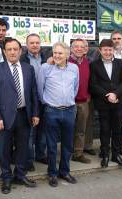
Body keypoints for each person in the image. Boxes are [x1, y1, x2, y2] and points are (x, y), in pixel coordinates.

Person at [0, 38, 39, 194]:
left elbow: (33, 93)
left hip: (24, 115)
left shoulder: (28, 68)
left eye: (15, 49)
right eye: (9, 49)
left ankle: (20, 174)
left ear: (20, 51)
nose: (12, 52)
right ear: (4, 51)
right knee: (4, 149)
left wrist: (35, 113)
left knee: (23, 147)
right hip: (3, 117)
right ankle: (6, 178)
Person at [37, 42, 79, 187]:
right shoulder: (45, 68)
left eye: (60, 53)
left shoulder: (74, 68)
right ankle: (52, 173)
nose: (57, 55)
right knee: (52, 145)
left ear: (67, 55)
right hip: (52, 111)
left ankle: (65, 172)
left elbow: (75, 88)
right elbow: (40, 89)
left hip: (69, 111)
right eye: (55, 52)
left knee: (67, 144)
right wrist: (49, 102)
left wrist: (67, 101)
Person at [90, 39, 122, 168]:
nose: (107, 52)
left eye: (110, 50)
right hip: (103, 103)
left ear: (114, 50)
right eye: (105, 50)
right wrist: (107, 95)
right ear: (100, 50)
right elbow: (93, 84)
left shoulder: (121, 64)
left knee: (118, 130)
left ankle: (116, 154)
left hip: (119, 102)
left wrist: (116, 94)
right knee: (105, 130)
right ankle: (105, 154)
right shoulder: (94, 65)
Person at [20, 33, 49, 172]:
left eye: (37, 42)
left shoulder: (47, 58)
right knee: (30, 132)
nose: (35, 45)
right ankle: (28, 159)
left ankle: (40, 155)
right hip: (30, 101)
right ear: (26, 45)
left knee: (43, 130)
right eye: (31, 43)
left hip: (45, 99)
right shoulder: (22, 59)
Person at [69, 39, 92, 164]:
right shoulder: (66, 62)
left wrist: (87, 95)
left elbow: (89, 81)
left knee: (81, 130)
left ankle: (78, 153)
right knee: (68, 129)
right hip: (69, 103)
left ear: (85, 49)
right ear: (71, 49)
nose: (78, 49)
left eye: (81, 47)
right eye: (76, 46)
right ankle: (67, 153)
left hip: (83, 102)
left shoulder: (87, 63)